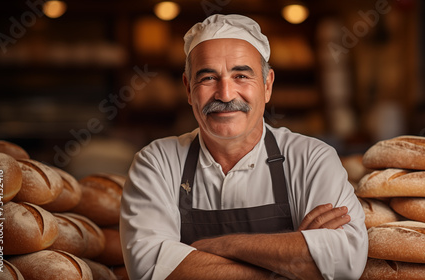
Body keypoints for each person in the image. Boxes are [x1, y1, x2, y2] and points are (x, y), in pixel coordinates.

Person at [120, 14, 368, 280]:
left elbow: (344, 264)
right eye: (208, 78)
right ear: (188, 89)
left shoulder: (311, 159)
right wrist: (291, 257)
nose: (225, 94)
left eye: (241, 75)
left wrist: (222, 245)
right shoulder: (157, 163)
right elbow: (148, 270)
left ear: (267, 85)